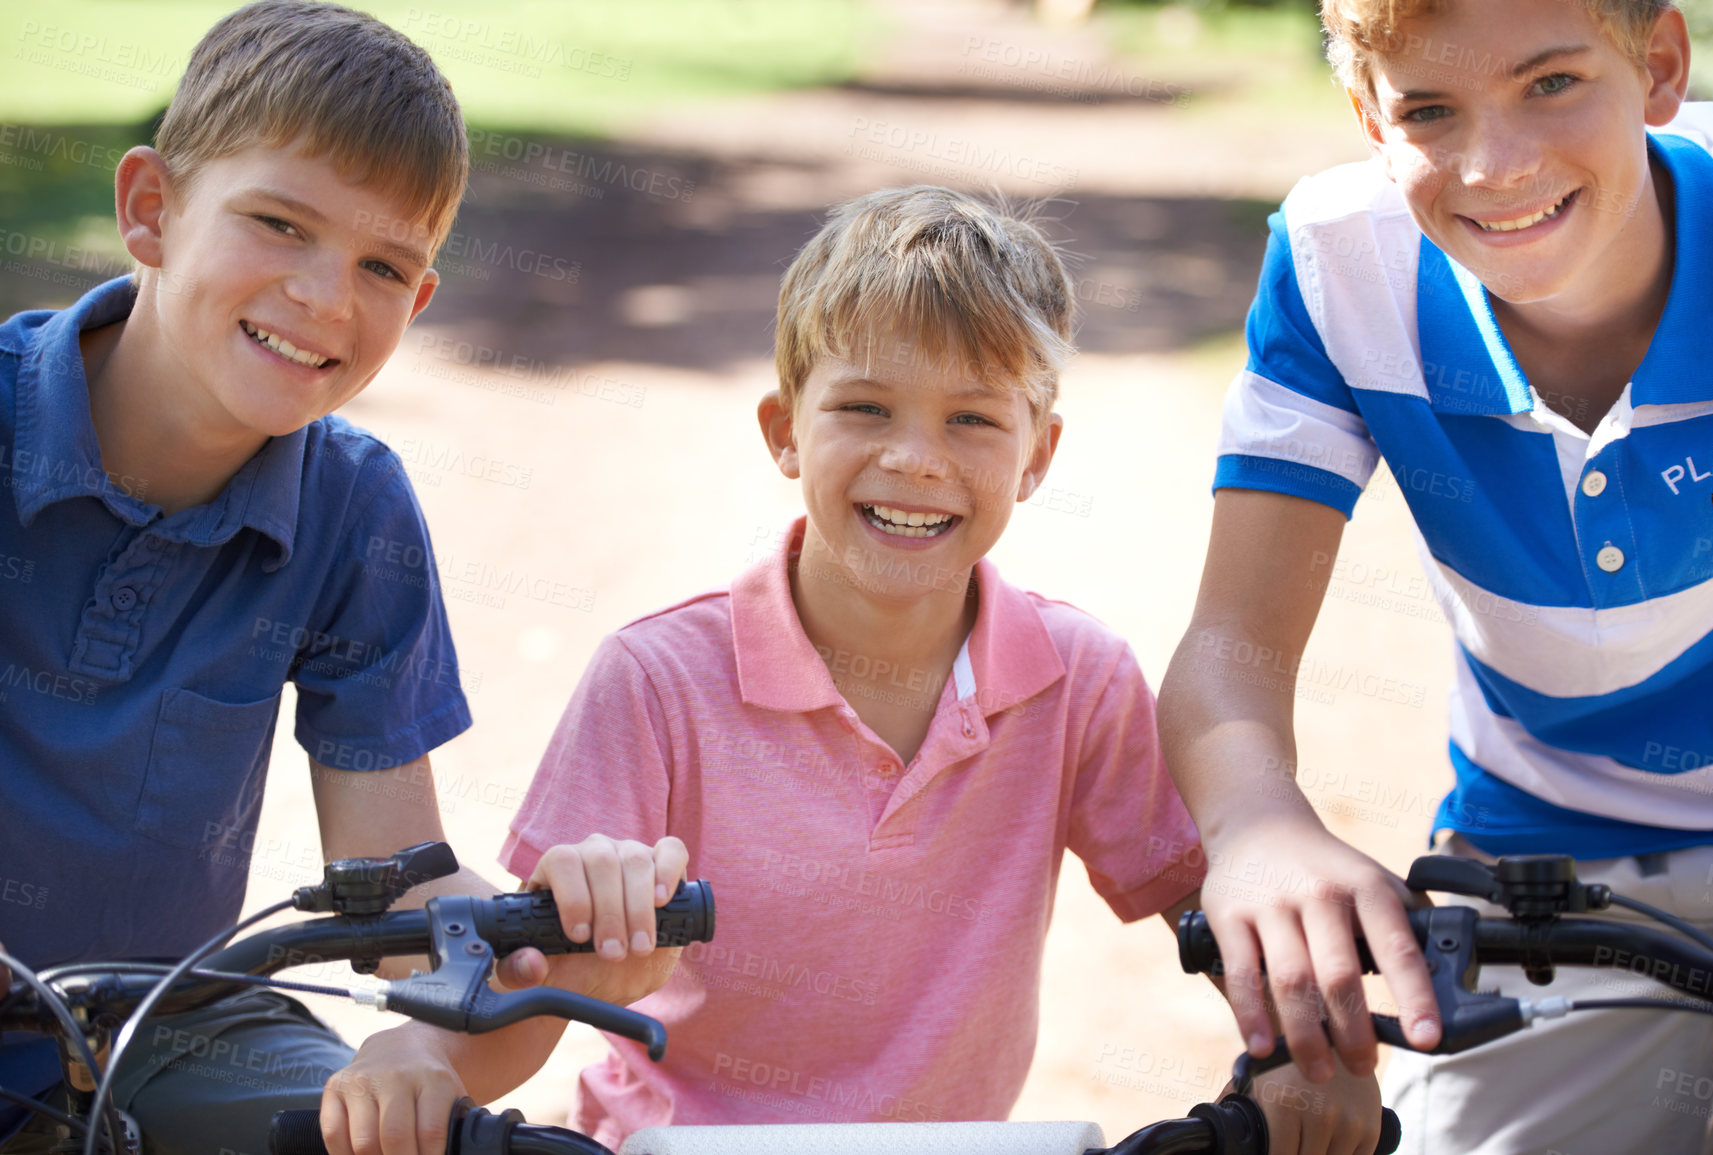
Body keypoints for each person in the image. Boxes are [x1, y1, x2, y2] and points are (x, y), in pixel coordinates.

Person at [332, 185, 1388, 1155]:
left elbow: (1216, 909)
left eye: (972, 418)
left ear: (1038, 456)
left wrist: (1300, 1055)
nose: (916, 459)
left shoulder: (1079, 679)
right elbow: (546, 985)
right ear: (787, 432)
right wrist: (427, 1059)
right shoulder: (656, 681)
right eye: (866, 408)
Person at [0, 5, 636, 1154]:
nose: (325, 298)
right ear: (151, 209)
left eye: (382, 265)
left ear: (420, 299)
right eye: (280, 225)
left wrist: (495, 985)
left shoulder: (352, 507)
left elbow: (395, 886)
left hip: (162, 1028)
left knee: (400, 1135)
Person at [1156, 0, 1713, 1150]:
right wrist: (1258, 819)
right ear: (1370, 116)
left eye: (1553, 83)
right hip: (1545, 844)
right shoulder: (1339, 260)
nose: (1494, 165)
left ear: (1659, 65)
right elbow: (1232, 646)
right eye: (1430, 108)